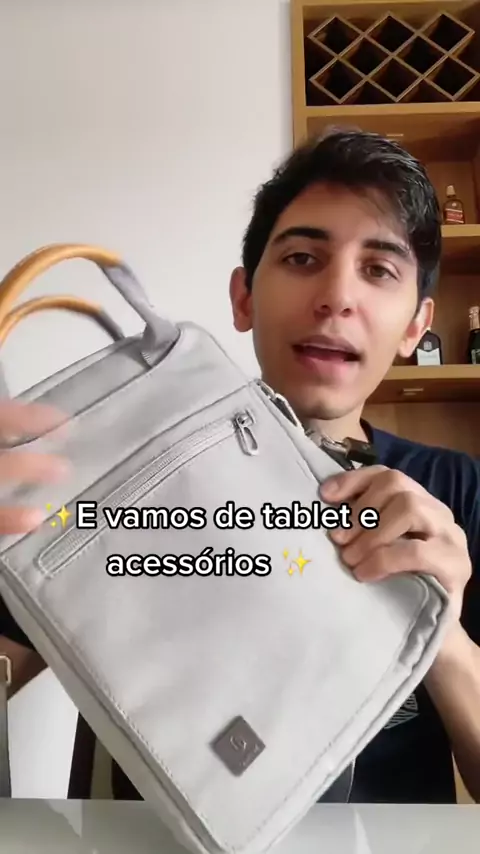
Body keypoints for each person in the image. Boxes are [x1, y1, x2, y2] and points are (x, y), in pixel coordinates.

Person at [1, 129, 479, 805]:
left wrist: (443, 631)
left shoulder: (456, 492)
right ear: (244, 297)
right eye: (304, 257)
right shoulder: (122, 474)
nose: (337, 295)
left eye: (378, 270)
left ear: (415, 326)